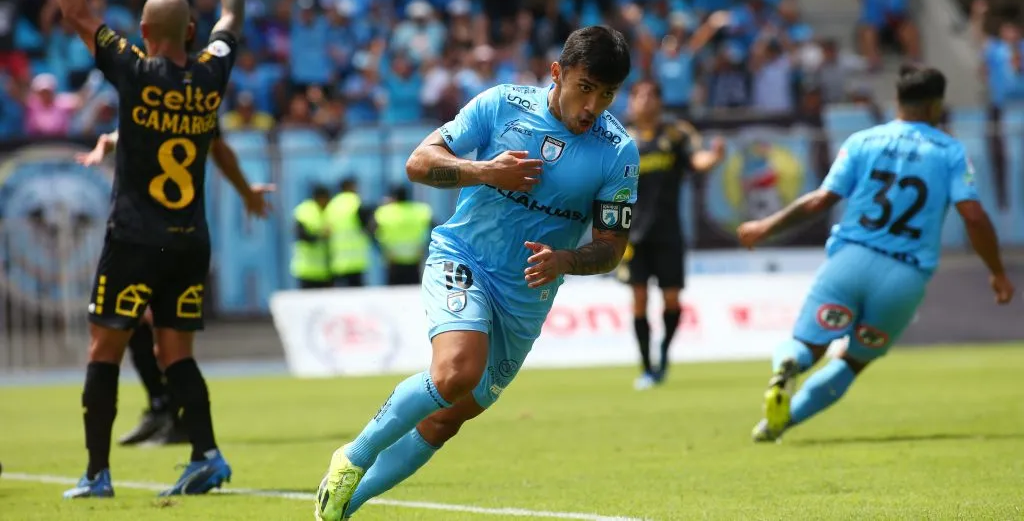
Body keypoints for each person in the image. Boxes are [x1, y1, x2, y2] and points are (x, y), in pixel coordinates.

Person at [313, 26, 640, 521]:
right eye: (585, 88)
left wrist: (567, 260)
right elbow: (419, 163)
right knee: (456, 371)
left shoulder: (618, 152)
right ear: (557, 73)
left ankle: (340, 509)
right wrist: (485, 171)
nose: (593, 106)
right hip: (463, 256)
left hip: (527, 295)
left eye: (607, 95)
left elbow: (612, 247)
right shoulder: (501, 104)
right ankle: (351, 457)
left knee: (449, 416)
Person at [31, 0, 249, 497]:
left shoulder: (133, 68)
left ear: (147, 30)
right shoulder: (211, 73)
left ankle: (97, 473)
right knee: (175, 352)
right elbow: (231, 19)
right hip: (189, 241)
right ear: (189, 31)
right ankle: (206, 454)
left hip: (134, 237)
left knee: (105, 349)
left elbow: (75, 12)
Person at [737, 65, 1015, 443]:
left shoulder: (863, 141)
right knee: (853, 362)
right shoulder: (950, 151)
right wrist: (997, 271)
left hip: (850, 261)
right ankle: (778, 425)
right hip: (904, 277)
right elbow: (974, 216)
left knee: (807, 344)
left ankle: (790, 363)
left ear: (897, 101)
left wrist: (764, 227)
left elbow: (821, 200)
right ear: (936, 106)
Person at [76, 127, 273, 446]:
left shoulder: (167, 97)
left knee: (163, 344)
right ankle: (168, 413)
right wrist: (106, 142)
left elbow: (217, 148)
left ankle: (175, 421)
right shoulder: (187, 98)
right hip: (176, 236)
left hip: (155, 238)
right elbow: (218, 148)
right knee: (152, 336)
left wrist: (107, 143)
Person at [621, 81, 725, 390]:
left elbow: (697, 161)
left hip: (668, 231)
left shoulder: (676, 135)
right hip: (633, 235)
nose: (644, 100)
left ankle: (664, 354)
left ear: (660, 102)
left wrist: (714, 158)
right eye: (639, 95)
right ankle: (646, 366)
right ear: (630, 103)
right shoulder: (621, 138)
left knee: (671, 300)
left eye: (651, 94)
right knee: (638, 298)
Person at [374, 185, 433, 285]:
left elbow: (372, 232)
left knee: (394, 295)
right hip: (415, 257)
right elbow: (436, 229)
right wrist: (425, 248)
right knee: (412, 293)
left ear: (393, 197)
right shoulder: (421, 210)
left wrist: (381, 250)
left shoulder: (384, 212)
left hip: (393, 259)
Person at [324, 177, 375, 287]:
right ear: (350, 187)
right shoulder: (356, 202)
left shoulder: (332, 205)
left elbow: (327, 230)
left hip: (338, 261)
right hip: (356, 262)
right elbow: (369, 226)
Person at [292, 184, 333, 289]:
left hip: (326, 271)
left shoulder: (328, 211)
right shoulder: (304, 211)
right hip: (307, 270)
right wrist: (321, 236)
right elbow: (300, 235)